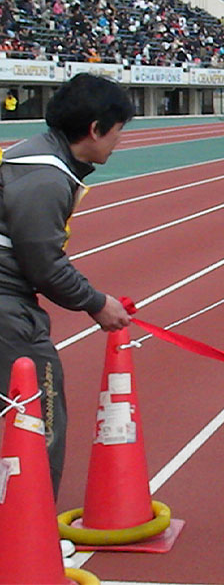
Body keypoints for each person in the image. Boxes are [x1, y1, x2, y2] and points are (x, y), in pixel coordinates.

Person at [0, 74, 134, 499]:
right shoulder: (45, 177)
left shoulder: (34, 158)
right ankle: (30, 537)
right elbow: (42, 262)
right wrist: (97, 304)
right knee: (38, 408)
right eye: (117, 132)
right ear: (95, 128)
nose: (118, 142)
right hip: (6, 306)